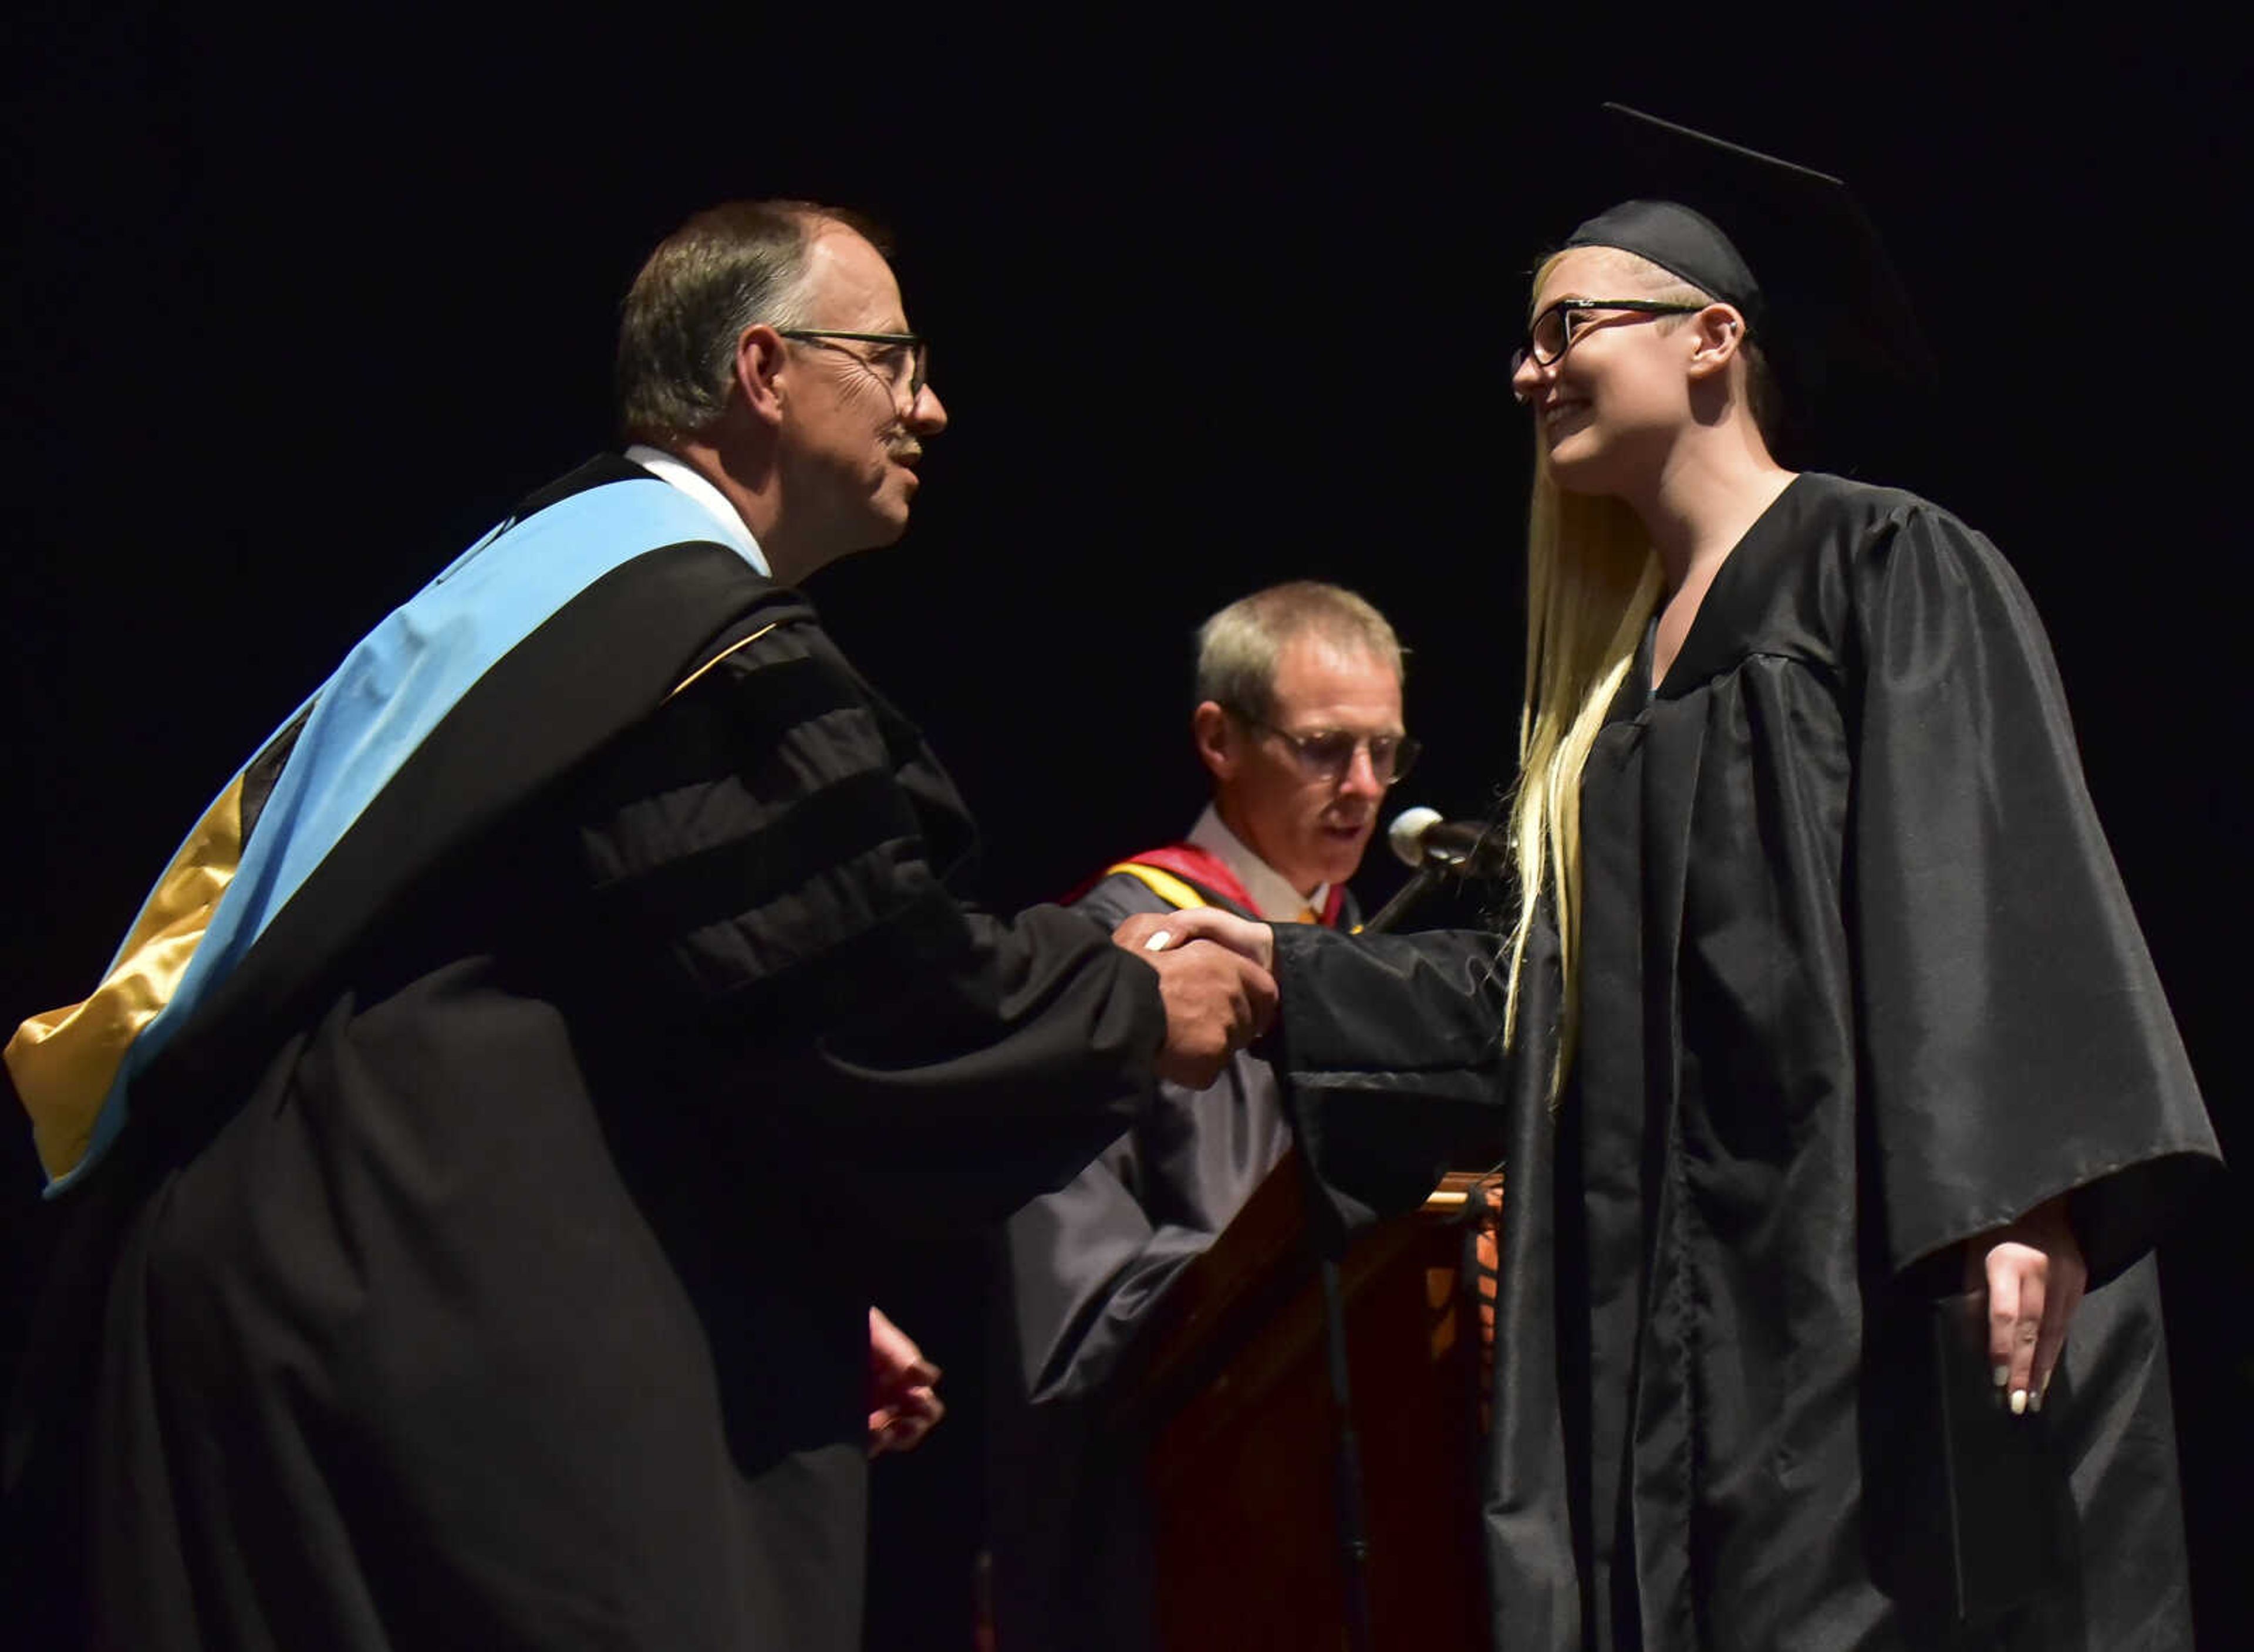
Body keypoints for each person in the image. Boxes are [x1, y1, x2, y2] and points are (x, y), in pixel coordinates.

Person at [0, 200, 1274, 1651]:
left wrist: (748, 1284)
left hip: (311, 1289)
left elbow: (617, 1013)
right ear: (765, 369)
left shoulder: (541, 594)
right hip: (396, 1323)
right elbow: (864, 999)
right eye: (893, 358)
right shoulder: (681, 639)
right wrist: (1116, 1007)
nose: (932, 403)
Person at [1133, 112, 2220, 1650]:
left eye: (1565, 328)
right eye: (1523, 345)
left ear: (1712, 339)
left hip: (1876, 1289)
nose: (1527, 373)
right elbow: (1551, 1005)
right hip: (1701, 1340)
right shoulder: (1620, 703)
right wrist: (1280, 978)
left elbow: (1996, 886)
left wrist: (2025, 1196)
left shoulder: (1880, 566)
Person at [989, 581, 1414, 1652]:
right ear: (1219, 740)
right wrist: (1294, 1297)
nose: (1363, 788)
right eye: (1325, 749)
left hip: (1357, 1516)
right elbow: (1068, 1296)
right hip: (1181, 1525)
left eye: (1385, 751)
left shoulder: (1372, 958)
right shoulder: (1120, 954)